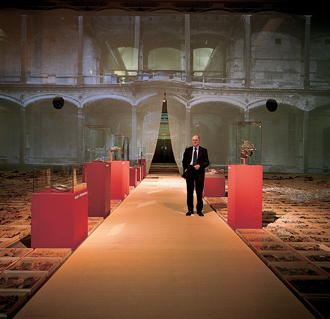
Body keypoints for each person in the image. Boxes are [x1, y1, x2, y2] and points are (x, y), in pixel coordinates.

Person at [182, 135, 209, 216]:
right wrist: (186, 170)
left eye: (196, 140)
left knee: (199, 192)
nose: (195, 141)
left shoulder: (203, 150)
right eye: (193, 140)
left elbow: (207, 162)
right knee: (189, 192)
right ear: (191, 141)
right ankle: (190, 210)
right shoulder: (188, 150)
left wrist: (200, 165)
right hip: (190, 171)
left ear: (199, 141)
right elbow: (184, 161)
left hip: (199, 172)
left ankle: (199, 210)